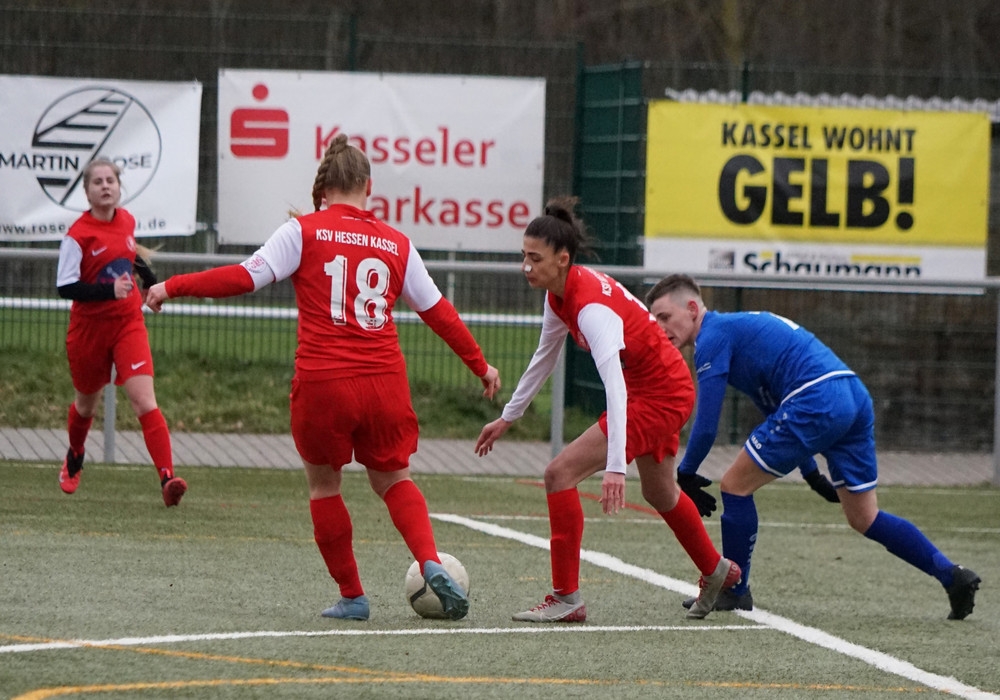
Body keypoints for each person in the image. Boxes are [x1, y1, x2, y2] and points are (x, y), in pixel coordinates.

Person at [146, 134, 500, 622]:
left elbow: (243, 277)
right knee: (394, 480)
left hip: (325, 381)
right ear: (368, 187)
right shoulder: (397, 243)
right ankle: (429, 559)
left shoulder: (303, 231)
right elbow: (438, 312)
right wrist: (480, 365)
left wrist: (171, 285)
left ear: (323, 188)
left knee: (324, 486)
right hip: (385, 383)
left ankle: (353, 597)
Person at [645, 273, 981, 619]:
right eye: (654, 320)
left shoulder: (712, 336)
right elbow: (774, 407)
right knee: (864, 517)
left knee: (734, 486)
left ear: (692, 308)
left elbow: (706, 424)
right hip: (851, 395)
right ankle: (953, 576)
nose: (660, 327)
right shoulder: (735, 328)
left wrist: (686, 472)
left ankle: (734, 590)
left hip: (816, 398)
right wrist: (811, 475)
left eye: (665, 317)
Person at [474, 197, 738, 622]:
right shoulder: (558, 295)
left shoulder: (591, 308)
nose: (526, 266)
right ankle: (715, 569)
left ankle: (566, 598)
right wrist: (508, 416)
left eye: (535, 258)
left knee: (559, 474)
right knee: (660, 492)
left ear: (562, 260)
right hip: (655, 387)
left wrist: (616, 466)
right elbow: (544, 358)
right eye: (524, 256)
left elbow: (614, 386)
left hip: (660, 394)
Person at [55, 157, 187, 507]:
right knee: (86, 405)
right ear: (87, 192)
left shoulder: (126, 220)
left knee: (144, 400)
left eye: (110, 180)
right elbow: (65, 287)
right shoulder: (77, 236)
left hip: (128, 323)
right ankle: (76, 454)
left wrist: (151, 283)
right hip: (89, 330)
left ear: (118, 186)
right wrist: (107, 291)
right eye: (97, 182)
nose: (105, 186)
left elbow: (129, 255)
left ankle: (167, 479)